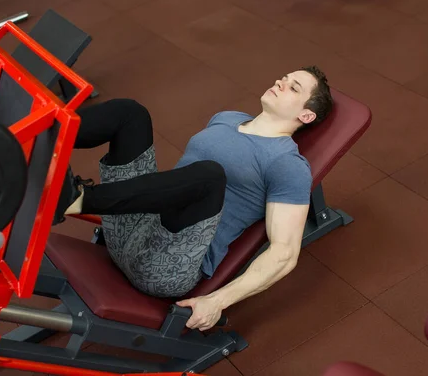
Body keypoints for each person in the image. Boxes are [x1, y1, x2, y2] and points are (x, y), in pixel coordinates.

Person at [53, 66, 334, 331]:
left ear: (306, 115)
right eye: (283, 78)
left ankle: (76, 199)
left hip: (164, 265)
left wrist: (217, 301)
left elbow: (284, 253)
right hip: (126, 228)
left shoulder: (287, 164)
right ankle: (36, 137)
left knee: (208, 176)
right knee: (130, 113)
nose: (279, 82)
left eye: (293, 87)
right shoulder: (227, 118)